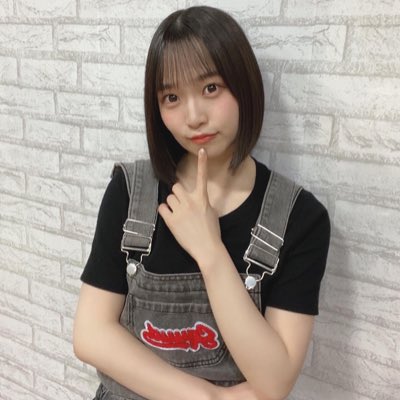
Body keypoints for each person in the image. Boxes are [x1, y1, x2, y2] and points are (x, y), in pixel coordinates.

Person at [73, 6, 330, 400]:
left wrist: (210, 252)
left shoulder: (300, 218)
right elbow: (90, 335)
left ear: (244, 84)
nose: (193, 117)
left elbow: (274, 381)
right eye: (172, 97)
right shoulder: (129, 192)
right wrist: (208, 397)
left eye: (211, 88)